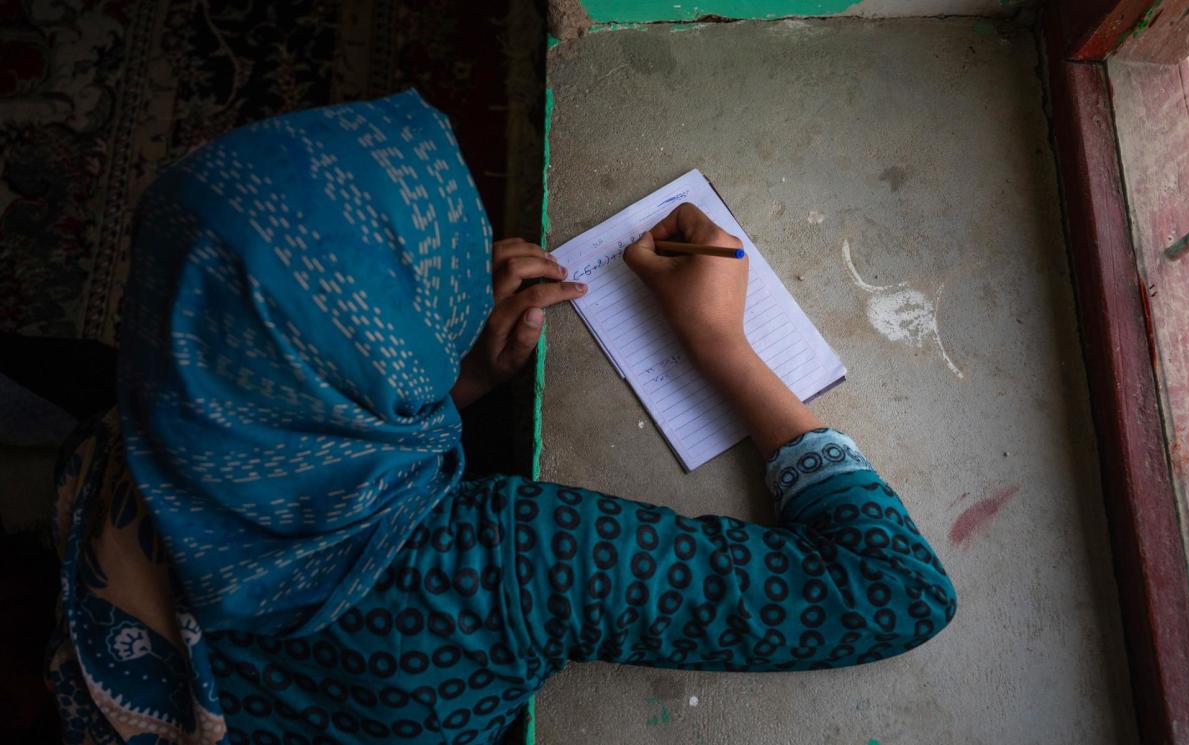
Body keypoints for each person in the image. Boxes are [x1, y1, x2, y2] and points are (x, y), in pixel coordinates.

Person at [46, 89, 955, 745]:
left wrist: (451, 390)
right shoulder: (500, 561)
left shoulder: (153, 418)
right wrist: (720, 343)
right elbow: (894, 594)